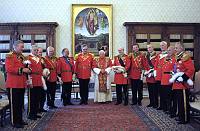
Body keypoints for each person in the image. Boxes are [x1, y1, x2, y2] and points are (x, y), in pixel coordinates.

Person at [5, 40, 31, 128]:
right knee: (14, 105)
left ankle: (20, 120)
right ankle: (14, 122)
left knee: (20, 104)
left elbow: (26, 68)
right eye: (21, 47)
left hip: (21, 84)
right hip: (13, 84)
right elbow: (9, 69)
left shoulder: (22, 57)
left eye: (23, 47)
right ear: (15, 47)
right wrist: (22, 70)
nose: (23, 48)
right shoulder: (10, 56)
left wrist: (28, 69)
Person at [171, 42, 195, 124]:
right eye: (175, 48)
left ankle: (185, 119)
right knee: (179, 102)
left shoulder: (185, 57)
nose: (175, 49)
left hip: (183, 84)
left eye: (176, 48)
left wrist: (183, 78)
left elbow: (191, 70)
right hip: (177, 84)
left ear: (181, 48)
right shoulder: (178, 57)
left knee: (183, 102)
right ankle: (181, 116)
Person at [27, 45, 43, 120]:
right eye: (35, 50)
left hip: (39, 80)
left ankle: (35, 113)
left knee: (37, 98)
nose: (36, 51)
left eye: (37, 50)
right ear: (31, 50)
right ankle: (31, 114)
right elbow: (27, 71)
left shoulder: (39, 58)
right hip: (32, 79)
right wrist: (29, 81)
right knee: (32, 98)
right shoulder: (28, 58)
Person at [160, 46, 175, 113]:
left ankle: (171, 110)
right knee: (164, 95)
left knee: (170, 96)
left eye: (169, 50)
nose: (168, 52)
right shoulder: (165, 58)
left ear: (173, 51)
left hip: (169, 79)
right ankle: (166, 108)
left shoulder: (175, 59)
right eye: (168, 50)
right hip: (163, 79)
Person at [154, 41, 168, 110]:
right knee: (160, 92)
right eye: (161, 45)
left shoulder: (168, 54)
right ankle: (161, 105)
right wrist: (155, 73)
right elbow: (156, 65)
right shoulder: (159, 54)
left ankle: (166, 106)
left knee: (165, 92)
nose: (161, 47)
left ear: (166, 46)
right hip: (159, 77)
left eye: (163, 45)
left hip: (165, 76)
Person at [37, 47, 48, 112]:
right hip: (38, 79)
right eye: (39, 52)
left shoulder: (43, 59)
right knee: (38, 94)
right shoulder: (36, 59)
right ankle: (38, 108)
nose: (40, 53)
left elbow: (45, 67)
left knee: (43, 94)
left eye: (41, 52)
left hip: (44, 78)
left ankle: (41, 107)